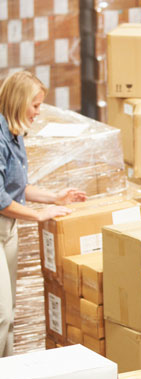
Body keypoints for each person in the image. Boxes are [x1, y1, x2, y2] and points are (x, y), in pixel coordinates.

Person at [0, 71, 86, 357]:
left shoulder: (15, 135)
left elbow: (17, 187)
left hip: (8, 228)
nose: (38, 112)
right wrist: (39, 215)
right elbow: (0, 200)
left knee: (9, 311)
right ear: (19, 101)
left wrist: (54, 196)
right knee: (2, 316)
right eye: (35, 105)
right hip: (2, 221)